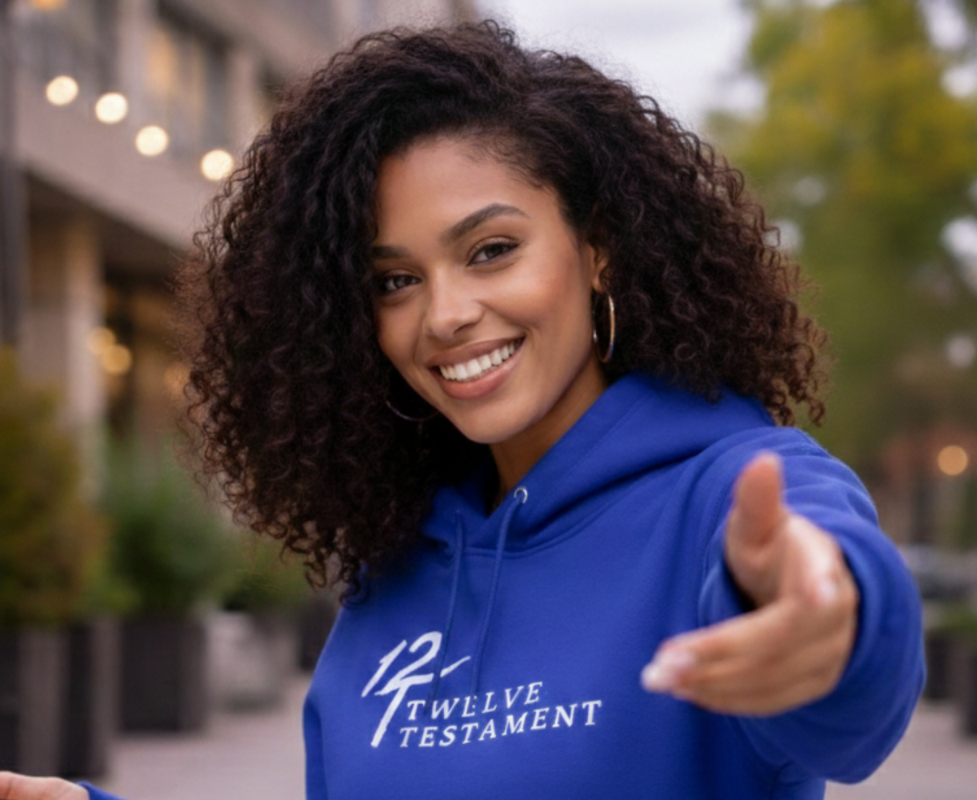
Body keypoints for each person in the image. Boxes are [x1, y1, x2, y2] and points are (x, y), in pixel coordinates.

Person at [0, 21, 924, 800]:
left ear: (597, 248)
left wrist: (828, 619)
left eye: (490, 250)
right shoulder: (397, 565)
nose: (443, 315)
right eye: (395, 280)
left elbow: (850, 696)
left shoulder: (736, 492)